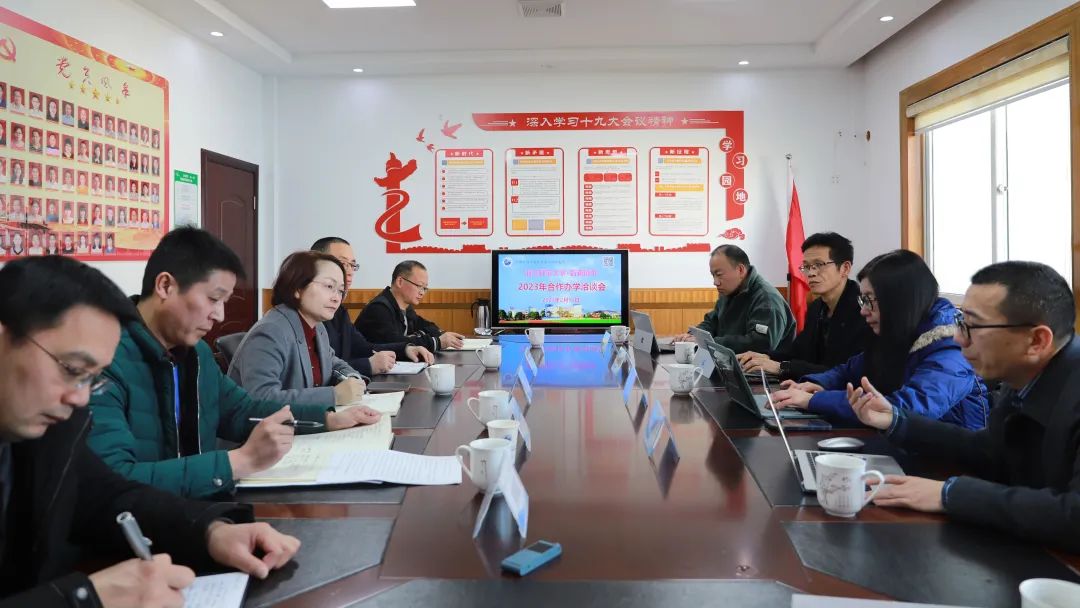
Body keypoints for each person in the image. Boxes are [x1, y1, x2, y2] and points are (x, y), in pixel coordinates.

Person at [0, 256, 302, 606]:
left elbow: (108, 496)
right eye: (71, 369)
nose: (80, 397)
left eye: (91, 379)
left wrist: (211, 532)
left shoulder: (50, 423)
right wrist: (86, 599)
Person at [87, 227, 378, 499]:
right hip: (143, 525)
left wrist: (328, 419)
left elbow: (242, 411)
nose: (220, 316)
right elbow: (112, 481)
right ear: (165, 286)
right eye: (213, 299)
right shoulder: (101, 361)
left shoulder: (196, 353)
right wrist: (238, 462)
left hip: (193, 509)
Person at [848, 261, 1080, 552]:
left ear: (1036, 340)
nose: (958, 338)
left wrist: (949, 494)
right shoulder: (1021, 376)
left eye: (973, 326)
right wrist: (896, 420)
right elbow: (988, 449)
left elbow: (1074, 515)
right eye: (961, 321)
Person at [771, 249, 988, 430]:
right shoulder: (899, 330)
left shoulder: (952, 348)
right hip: (907, 446)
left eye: (869, 300)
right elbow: (850, 370)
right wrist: (816, 384)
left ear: (898, 300)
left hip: (953, 460)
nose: (863, 311)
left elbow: (903, 410)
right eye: (862, 300)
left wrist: (814, 401)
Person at [228, 251, 383, 410]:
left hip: (305, 421)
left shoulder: (317, 327)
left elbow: (332, 362)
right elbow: (261, 399)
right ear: (298, 288)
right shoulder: (271, 331)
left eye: (340, 290)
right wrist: (334, 395)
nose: (336, 298)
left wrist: (352, 378)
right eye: (329, 286)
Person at [739, 234, 869, 380]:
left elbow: (844, 371)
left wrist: (782, 367)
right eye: (806, 267)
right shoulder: (816, 307)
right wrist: (765, 357)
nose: (811, 273)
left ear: (845, 268)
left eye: (819, 265)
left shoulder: (865, 310)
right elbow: (798, 352)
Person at [311, 237, 433, 376]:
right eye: (343, 263)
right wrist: (368, 365)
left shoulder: (339, 311)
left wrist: (405, 349)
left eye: (352, 265)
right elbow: (319, 371)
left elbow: (363, 347)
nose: (349, 271)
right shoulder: (379, 308)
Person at [672, 245, 796, 353]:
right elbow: (712, 322)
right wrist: (692, 336)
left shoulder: (767, 300)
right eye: (713, 275)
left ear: (740, 270)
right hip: (730, 363)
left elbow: (760, 344)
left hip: (763, 370)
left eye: (719, 275)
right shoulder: (729, 291)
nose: (715, 282)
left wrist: (709, 342)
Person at [356, 260, 466, 352]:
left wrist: (418, 336)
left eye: (425, 288)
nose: (422, 293)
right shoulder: (378, 309)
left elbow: (431, 327)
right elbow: (396, 344)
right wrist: (436, 342)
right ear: (400, 281)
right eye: (419, 286)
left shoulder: (405, 307)